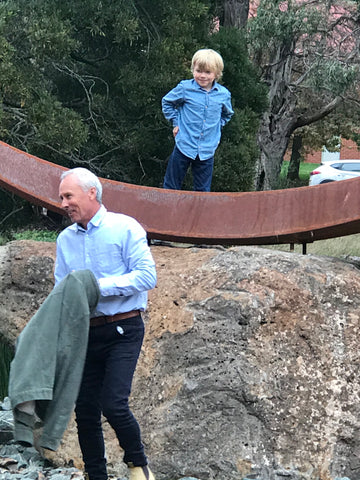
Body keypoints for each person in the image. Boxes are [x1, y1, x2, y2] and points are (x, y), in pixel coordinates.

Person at [54, 167, 157, 480]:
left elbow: (147, 276)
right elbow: (62, 290)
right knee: (84, 409)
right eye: (60, 197)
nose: (62, 203)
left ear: (91, 193)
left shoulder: (124, 228)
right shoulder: (64, 240)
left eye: (68, 196)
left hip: (123, 330)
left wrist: (99, 286)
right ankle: (96, 475)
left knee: (113, 403)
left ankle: (138, 466)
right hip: (85, 333)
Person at [162, 48, 234, 192]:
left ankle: (199, 215)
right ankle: (168, 213)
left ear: (216, 74)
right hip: (184, 144)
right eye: (198, 71)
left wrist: (216, 129)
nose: (202, 76)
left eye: (207, 72)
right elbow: (167, 102)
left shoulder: (223, 95)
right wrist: (176, 123)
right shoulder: (185, 88)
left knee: (203, 191)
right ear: (193, 70)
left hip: (207, 149)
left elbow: (227, 114)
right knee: (171, 186)